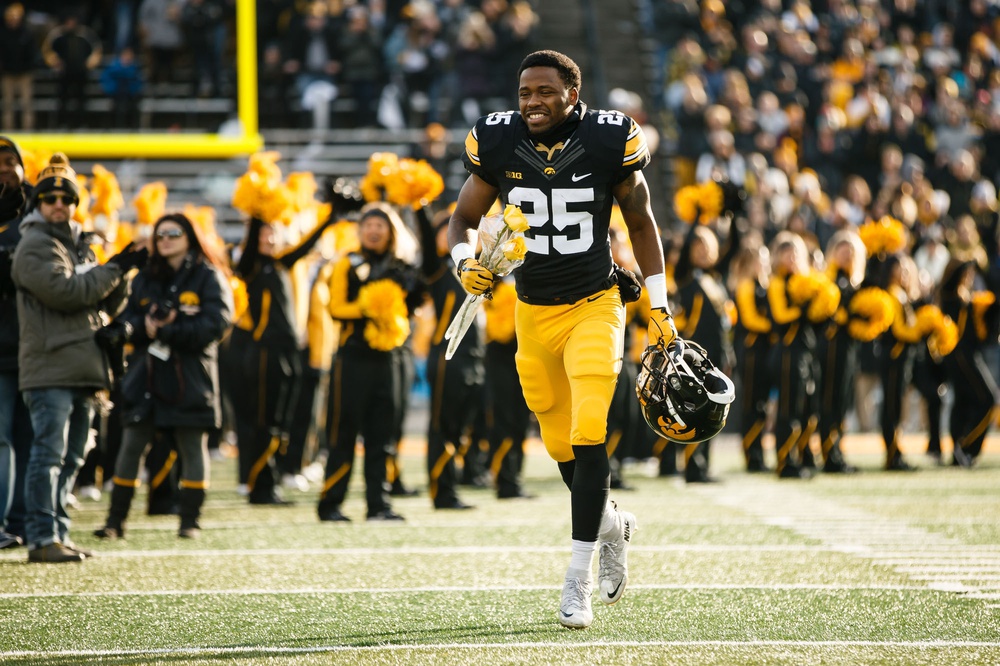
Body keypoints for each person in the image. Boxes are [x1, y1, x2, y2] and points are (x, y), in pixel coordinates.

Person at [447, 50, 676, 629]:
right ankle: (610, 523)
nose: (531, 102)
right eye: (524, 92)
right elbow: (462, 217)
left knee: (589, 426)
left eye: (544, 92)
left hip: (596, 304)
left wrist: (659, 305)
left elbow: (642, 222)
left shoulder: (609, 137)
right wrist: (462, 262)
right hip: (532, 310)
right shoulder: (497, 141)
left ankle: (577, 578)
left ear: (573, 93)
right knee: (557, 442)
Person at [11, 153, 146, 563]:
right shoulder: (33, 243)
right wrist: (114, 267)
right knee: (48, 454)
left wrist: (119, 272)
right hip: (51, 366)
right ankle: (40, 538)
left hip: (83, 366)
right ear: (36, 204)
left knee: (71, 457)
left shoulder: (78, 244)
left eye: (66, 199)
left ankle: (59, 533)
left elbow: (105, 301)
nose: (59, 205)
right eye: (50, 198)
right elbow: (69, 294)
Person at [94, 213, 232, 539]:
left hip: (191, 377)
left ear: (190, 237)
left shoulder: (208, 276)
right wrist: (144, 327)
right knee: (131, 445)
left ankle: (189, 521)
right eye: (160, 235)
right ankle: (115, 521)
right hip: (147, 375)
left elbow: (218, 323)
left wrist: (171, 330)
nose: (166, 239)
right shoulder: (143, 277)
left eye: (174, 233)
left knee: (191, 447)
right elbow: (125, 320)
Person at [318, 202, 425, 522]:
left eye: (381, 225)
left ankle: (378, 504)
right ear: (359, 230)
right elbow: (336, 307)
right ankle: (330, 504)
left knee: (384, 435)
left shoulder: (402, 266)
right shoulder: (346, 263)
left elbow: (415, 305)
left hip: (389, 359)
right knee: (343, 434)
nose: (374, 231)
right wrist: (369, 307)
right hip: (352, 359)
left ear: (392, 231)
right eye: (368, 225)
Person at [415, 205, 480, 510]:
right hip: (447, 358)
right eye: (446, 230)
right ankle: (442, 492)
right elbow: (428, 245)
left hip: (474, 360)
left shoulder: (479, 270)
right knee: (443, 426)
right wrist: (419, 207)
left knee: (461, 428)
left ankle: (451, 487)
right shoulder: (438, 268)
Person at [0, 136, 32, 550]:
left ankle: (25, 520)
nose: (5, 168)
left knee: (31, 438)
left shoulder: (40, 213)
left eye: (11, 161)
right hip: (2, 349)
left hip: (35, 347)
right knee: (2, 437)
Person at [0, 3, 39, 131]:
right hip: (7, 74)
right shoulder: (3, 34)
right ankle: (8, 133)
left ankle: (27, 132)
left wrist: (29, 67)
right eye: (11, 16)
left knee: (27, 105)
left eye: (16, 16)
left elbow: (33, 53)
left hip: (25, 74)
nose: (14, 19)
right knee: (7, 105)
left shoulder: (27, 33)